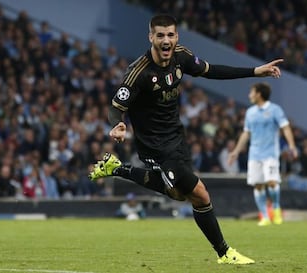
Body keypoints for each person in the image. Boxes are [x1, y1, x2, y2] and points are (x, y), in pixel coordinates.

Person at [89, 14, 284, 265]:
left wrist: (255, 71)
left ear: (177, 36)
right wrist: (117, 124)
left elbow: (211, 70)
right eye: (160, 35)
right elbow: (117, 106)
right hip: (155, 145)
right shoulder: (138, 72)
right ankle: (224, 252)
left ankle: (117, 168)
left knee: (180, 195)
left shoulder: (181, 56)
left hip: (176, 137)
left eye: (170, 35)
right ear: (151, 37)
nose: (166, 40)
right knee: (201, 194)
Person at [228, 82, 298, 226]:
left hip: (271, 154)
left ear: (259, 94)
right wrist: (235, 151)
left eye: (251, 92)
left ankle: (276, 207)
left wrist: (291, 146)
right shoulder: (250, 112)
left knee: (272, 182)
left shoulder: (275, 110)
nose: (249, 95)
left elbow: (285, 128)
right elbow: (246, 133)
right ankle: (265, 216)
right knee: (258, 185)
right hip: (254, 154)